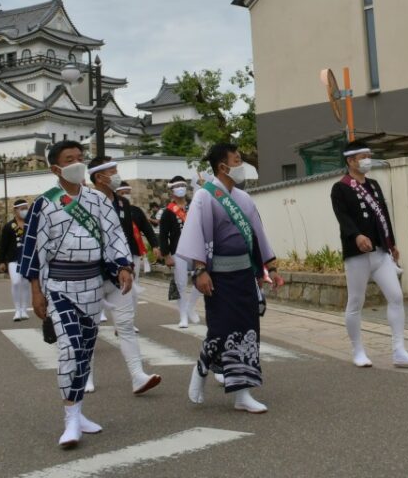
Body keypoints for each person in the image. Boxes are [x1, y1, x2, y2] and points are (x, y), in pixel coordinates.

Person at [18, 140, 136, 449]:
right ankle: (70, 418)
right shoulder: (44, 204)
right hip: (59, 287)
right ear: (55, 168)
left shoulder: (98, 199)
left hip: (92, 285)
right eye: (69, 159)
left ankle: (79, 410)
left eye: (80, 158)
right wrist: (36, 291)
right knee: (69, 348)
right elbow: (33, 249)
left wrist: (123, 265)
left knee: (85, 349)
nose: (77, 163)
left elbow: (114, 236)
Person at [176, 143, 284, 414]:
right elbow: (196, 234)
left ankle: (242, 394)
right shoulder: (205, 196)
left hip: (244, 274)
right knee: (221, 331)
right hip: (219, 277)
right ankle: (201, 370)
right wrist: (200, 271)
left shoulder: (245, 199)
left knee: (247, 330)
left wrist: (267, 268)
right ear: (223, 167)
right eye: (237, 160)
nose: (241, 165)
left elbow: (258, 235)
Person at [330, 142, 408, 368]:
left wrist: (391, 242)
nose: (368, 160)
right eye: (363, 157)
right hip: (357, 254)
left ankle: (399, 350)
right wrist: (356, 236)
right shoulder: (340, 188)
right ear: (351, 161)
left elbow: (384, 215)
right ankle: (358, 350)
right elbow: (343, 217)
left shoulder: (374, 185)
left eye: (369, 156)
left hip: (380, 253)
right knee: (355, 302)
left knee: (396, 296)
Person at [86, 157, 163, 396]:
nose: (117, 175)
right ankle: (84, 376)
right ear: (99, 177)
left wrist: (127, 266)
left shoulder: (121, 203)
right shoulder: (83, 202)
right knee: (87, 329)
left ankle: (137, 375)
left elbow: (123, 237)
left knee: (126, 325)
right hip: (89, 275)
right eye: (113, 171)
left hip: (118, 274)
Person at [159, 176, 200, 328]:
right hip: (179, 252)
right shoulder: (168, 212)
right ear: (172, 190)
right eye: (177, 185)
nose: (181, 187)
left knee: (201, 278)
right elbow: (163, 235)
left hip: (196, 249)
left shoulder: (194, 205)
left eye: (183, 184)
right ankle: (183, 316)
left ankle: (191, 306)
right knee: (181, 284)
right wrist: (166, 255)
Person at [114, 183, 159, 278]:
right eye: (123, 193)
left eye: (128, 193)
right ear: (116, 194)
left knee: (134, 278)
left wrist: (154, 245)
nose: (126, 195)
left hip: (134, 249)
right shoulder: (112, 209)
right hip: (118, 251)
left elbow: (147, 229)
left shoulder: (136, 211)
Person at [0, 199, 32, 321]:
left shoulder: (31, 224)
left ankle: (24, 309)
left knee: (25, 284)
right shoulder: (9, 227)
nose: (24, 211)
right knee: (16, 282)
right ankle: (17, 309)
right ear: (15, 210)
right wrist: (2, 261)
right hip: (13, 259)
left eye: (26, 208)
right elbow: (3, 245)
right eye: (21, 208)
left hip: (27, 258)